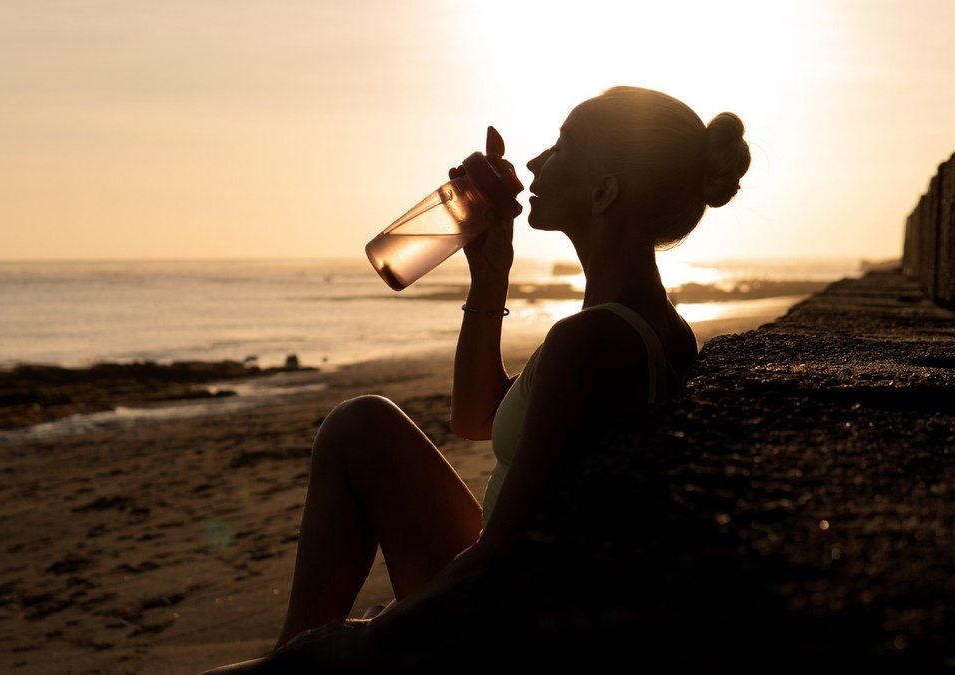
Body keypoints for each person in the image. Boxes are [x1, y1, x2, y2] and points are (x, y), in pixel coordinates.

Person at [199, 85, 752, 673]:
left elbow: (499, 558)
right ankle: (295, 659)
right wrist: (490, 274)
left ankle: (295, 662)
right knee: (361, 424)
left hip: (509, 621)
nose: (536, 162)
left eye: (562, 147)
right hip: (532, 591)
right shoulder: (642, 324)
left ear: (603, 191)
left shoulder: (594, 341)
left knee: (294, 658)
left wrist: (370, 636)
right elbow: (476, 418)